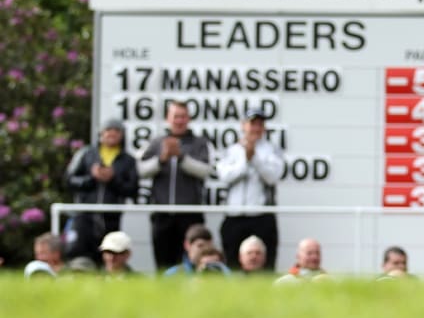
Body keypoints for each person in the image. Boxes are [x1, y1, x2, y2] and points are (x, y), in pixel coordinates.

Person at [138, 100, 213, 270]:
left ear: (189, 119)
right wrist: (161, 159)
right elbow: (141, 170)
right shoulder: (157, 142)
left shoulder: (199, 143)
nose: (179, 120)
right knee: (163, 264)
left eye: (183, 116)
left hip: (190, 214)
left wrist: (181, 157)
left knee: (192, 263)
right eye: (176, 116)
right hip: (162, 214)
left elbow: (205, 170)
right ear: (168, 118)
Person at [216, 107, 285, 271]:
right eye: (252, 123)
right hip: (234, 216)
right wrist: (245, 161)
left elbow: (273, 176)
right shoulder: (232, 150)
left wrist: (254, 158)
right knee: (232, 265)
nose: (255, 128)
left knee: (266, 267)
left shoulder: (271, 150)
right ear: (243, 125)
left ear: (264, 128)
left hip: (262, 216)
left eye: (259, 124)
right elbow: (224, 176)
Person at [64, 118, 139, 264]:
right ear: (101, 133)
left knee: (110, 256)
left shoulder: (128, 160)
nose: (112, 134)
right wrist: (92, 178)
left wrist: (112, 179)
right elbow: (69, 180)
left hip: (111, 217)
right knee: (81, 255)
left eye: (116, 131)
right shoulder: (85, 153)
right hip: (85, 215)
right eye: (108, 130)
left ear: (122, 135)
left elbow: (132, 189)